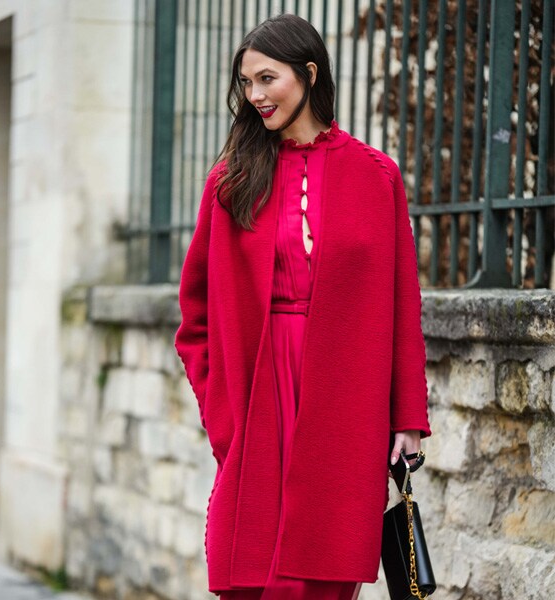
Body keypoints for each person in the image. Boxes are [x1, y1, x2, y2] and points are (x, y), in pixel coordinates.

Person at [175, 13, 431, 600]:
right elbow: (195, 319)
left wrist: (407, 419)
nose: (255, 95)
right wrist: (224, 414)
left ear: (309, 73)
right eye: (246, 83)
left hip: (345, 401)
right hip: (257, 398)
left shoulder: (376, 175)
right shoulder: (232, 180)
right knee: (248, 567)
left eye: (267, 78)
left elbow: (401, 308)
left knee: (324, 571)